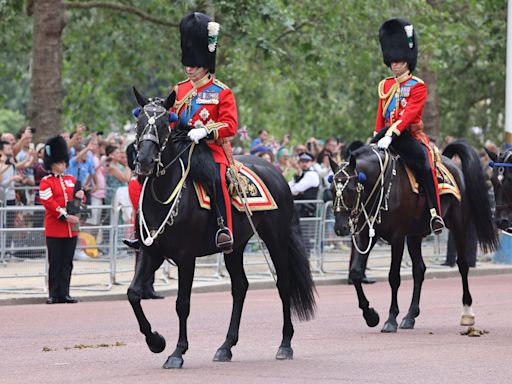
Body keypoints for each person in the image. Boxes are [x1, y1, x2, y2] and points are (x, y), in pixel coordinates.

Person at [171, 12, 238, 253]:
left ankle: (224, 228)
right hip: (179, 149)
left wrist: (206, 132)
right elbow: (171, 120)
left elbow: (230, 125)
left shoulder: (222, 92)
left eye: (193, 64)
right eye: (187, 64)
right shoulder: (178, 90)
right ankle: (144, 228)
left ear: (205, 63)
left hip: (209, 150)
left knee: (217, 178)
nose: (188, 68)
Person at [372, 18, 444, 235]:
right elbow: (380, 113)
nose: (394, 63)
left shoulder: (417, 86)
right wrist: (376, 136)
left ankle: (434, 213)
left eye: (399, 59)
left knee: (424, 165)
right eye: (392, 60)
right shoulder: (385, 85)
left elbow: (409, 114)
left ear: (407, 60)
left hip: (409, 136)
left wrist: (392, 133)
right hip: (385, 135)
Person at [39, 136, 84, 304]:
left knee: (67, 263)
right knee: (55, 263)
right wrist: (65, 216)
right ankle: (53, 294)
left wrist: (80, 196)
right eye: (60, 162)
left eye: (64, 162)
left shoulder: (71, 180)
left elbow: (77, 201)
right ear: (52, 163)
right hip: (55, 227)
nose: (64, 165)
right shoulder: (46, 181)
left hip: (71, 229)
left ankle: (65, 293)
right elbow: (48, 202)